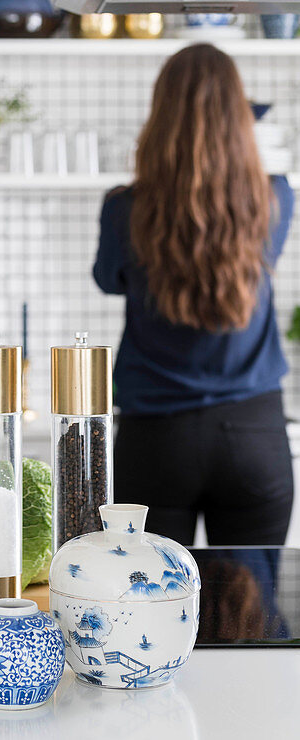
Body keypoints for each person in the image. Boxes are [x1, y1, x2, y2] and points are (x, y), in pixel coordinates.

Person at [93, 43, 294, 546]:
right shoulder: (275, 198)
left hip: (155, 439)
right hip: (253, 433)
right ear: (239, 115)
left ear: (159, 115)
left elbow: (107, 278)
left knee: (150, 612)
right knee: (254, 617)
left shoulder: (125, 208)